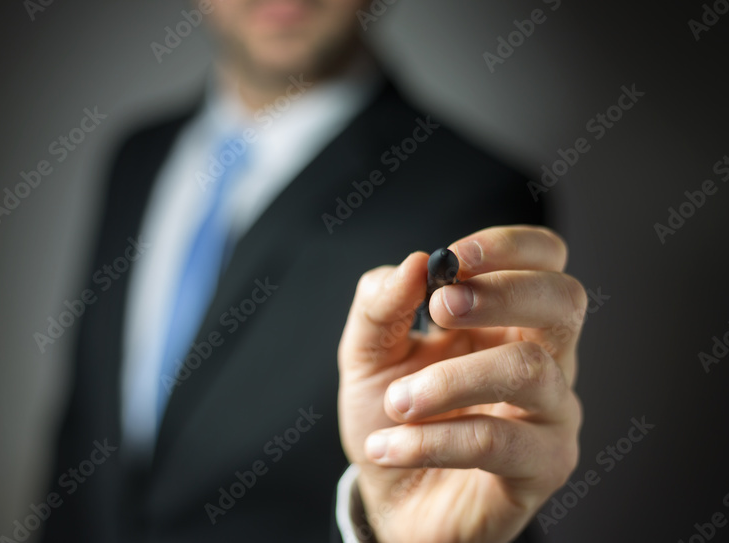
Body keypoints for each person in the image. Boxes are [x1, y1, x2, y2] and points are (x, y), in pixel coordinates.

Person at [41, 1, 585, 541]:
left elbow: (466, 483)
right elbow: (85, 429)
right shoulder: (136, 158)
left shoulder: (472, 194)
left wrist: (385, 528)